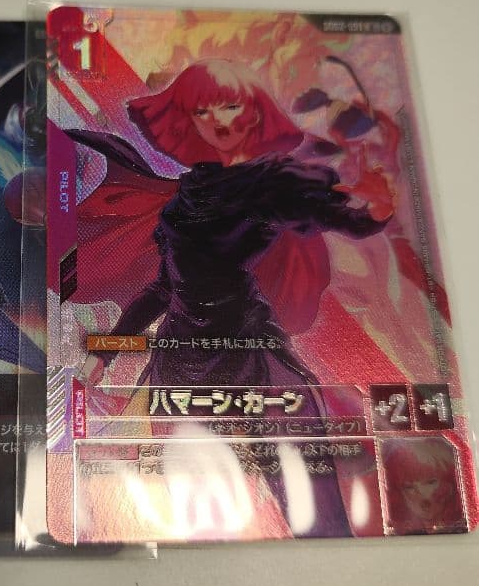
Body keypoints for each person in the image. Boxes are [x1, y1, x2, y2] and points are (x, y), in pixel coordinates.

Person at [69, 58, 394, 536]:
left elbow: (347, 217)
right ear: (187, 120)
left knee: (312, 503)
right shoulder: (187, 194)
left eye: (229, 106)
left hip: (247, 348)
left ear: (253, 112)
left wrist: (377, 205)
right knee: (196, 512)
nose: (217, 121)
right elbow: (164, 287)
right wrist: (105, 351)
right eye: (202, 111)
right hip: (181, 359)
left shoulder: (271, 183)